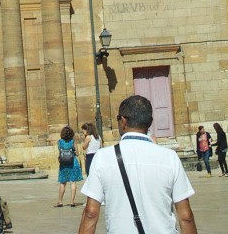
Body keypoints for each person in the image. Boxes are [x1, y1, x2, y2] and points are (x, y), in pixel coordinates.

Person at [77, 94, 197, 234]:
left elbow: (91, 213)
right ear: (150, 122)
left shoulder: (102, 158)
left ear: (123, 121)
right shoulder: (170, 158)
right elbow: (186, 217)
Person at [56, 125, 82, 207]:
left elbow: (60, 153)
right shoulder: (73, 141)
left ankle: (60, 201)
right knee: (72, 182)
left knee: (62, 183)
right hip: (73, 163)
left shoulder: (59, 142)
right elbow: (77, 153)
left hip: (63, 164)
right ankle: (72, 201)